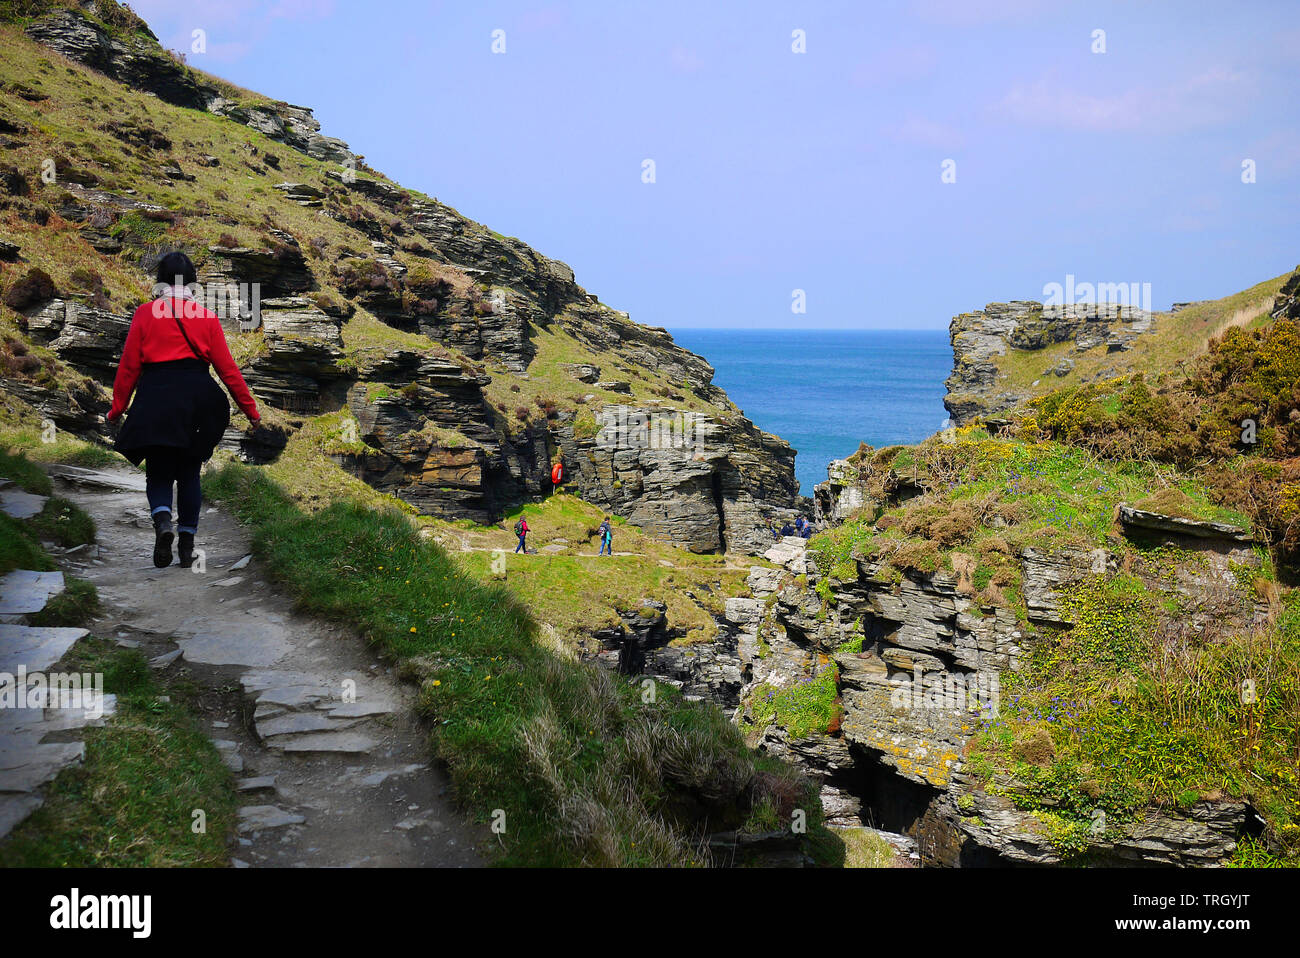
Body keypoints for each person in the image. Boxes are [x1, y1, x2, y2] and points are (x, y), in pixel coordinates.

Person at [108, 251, 260, 569]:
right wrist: (251, 411)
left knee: (159, 471)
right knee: (189, 473)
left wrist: (117, 408)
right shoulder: (206, 317)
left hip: (156, 397)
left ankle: (163, 522)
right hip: (197, 400)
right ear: (192, 283)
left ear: (160, 282)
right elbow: (228, 370)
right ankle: (187, 547)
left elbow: (128, 368)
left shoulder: (145, 314)